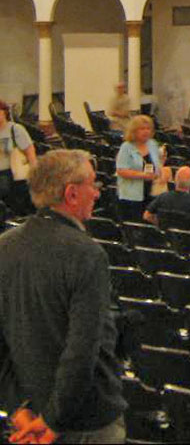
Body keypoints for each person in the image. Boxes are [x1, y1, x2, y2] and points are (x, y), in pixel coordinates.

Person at [0, 149, 125, 443]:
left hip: (30, 414)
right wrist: (54, 421)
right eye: (93, 185)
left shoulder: (3, 246)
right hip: (84, 421)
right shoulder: (87, 254)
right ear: (71, 194)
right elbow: (82, 349)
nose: (96, 193)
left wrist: (18, 408)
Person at [116, 114, 169, 223]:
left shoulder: (153, 144)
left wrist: (161, 173)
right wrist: (143, 175)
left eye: (148, 129)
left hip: (151, 193)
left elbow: (157, 164)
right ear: (134, 131)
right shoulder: (126, 147)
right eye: (142, 129)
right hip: (131, 195)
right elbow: (121, 170)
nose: (146, 132)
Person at [0, 99, 36, 215]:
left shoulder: (15, 129)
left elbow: (30, 151)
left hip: (12, 174)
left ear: (4, 112)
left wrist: (34, 171)